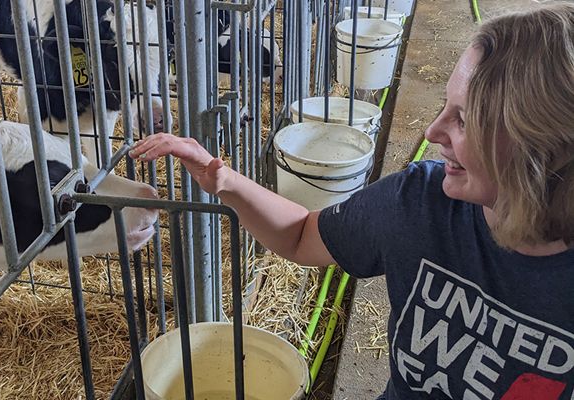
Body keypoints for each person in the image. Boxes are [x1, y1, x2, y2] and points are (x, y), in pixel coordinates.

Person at [130, 3, 574, 399]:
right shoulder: (419, 201)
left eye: (463, 119)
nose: (432, 133)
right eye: (444, 107)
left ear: (539, 143)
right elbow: (303, 235)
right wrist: (223, 178)